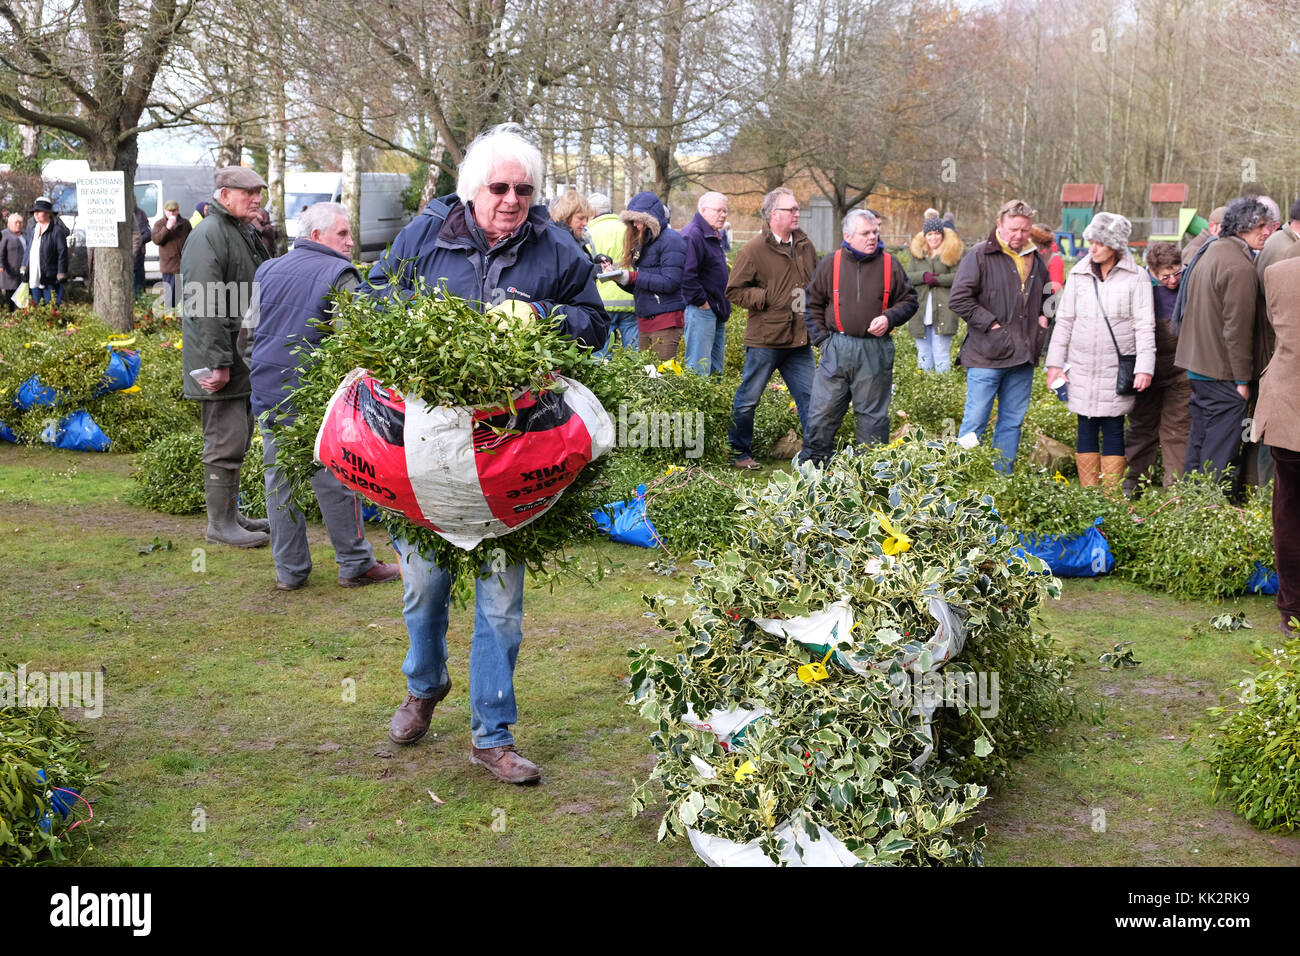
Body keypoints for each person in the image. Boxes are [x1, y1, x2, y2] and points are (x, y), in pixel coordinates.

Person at [363, 123, 608, 785]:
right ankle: (424, 686)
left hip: (511, 454)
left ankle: (491, 735)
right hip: (428, 451)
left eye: (523, 189)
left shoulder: (557, 247)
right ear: (473, 190)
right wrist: (410, 317)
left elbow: (595, 324)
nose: (511, 199)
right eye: (498, 187)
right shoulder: (425, 236)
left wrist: (544, 317)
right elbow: (372, 294)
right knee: (424, 589)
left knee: (501, 605)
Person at [246, 202, 400, 592]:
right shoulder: (340, 274)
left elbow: (245, 336)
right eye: (343, 234)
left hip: (269, 391)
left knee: (279, 480)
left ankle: (290, 572)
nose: (351, 242)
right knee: (335, 477)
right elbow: (357, 343)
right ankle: (355, 563)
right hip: (316, 396)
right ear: (316, 237)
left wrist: (261, 371)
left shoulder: (267, 268)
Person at [179, 165, 273, 549]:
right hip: (220, 360)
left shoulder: (239, 230)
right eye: (248, 192)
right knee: (224, 439)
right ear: (224, 194)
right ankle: (219, 525)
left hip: (239, 356)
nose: (256, 199)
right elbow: (204, 304)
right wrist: (217, 362)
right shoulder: (209, 235)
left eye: (259, 192)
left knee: (238, 437)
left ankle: (231, 516)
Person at [1044, 212, 1156, 492]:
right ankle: (1089, 493)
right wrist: (1055, 364)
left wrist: (1145, 367)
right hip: (1081, 365)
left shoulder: (1137, 277)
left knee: (1114, 426)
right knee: (1085, 425)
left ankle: (1110, 496)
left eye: (1099, 243)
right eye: (1091, 241)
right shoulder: (1079, 273)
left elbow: (1144, 325)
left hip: (1116, 367)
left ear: (1116, 246)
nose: (1092, 248)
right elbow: (1064, 321)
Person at [799, 209, 917, 464]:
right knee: (822, 412)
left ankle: (870, 476)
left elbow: (909, 300)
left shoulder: (890, 264)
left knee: (873, 419)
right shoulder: (832, 263)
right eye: (866, 233)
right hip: (837, 347)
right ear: (848, 235)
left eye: (875, 232)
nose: (872, 237)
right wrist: (822, 340)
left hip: (875, 350)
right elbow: (812, 303)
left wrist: (889, 318)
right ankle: (813, 469)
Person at [1173, 195, 1271, 488]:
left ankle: (1191, 499)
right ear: (1242, 227)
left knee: (1200, 437)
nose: (1267, 231)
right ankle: (1209, 507)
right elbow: (1237, 330)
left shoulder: (1212, 251)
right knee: (1221, 447)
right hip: (1221, 371)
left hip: (1197, 364)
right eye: (1261, 226)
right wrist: (1242, 380)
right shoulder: (1239, 267)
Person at [948, 198, 1052, 473]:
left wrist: (1045, 319)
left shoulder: (1035, 258)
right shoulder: (979, 255)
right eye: (1014, 229)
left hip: (1023, 357)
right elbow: (958, 298)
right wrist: (992, 324)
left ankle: (1001, 478)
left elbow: (1050, 292)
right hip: (986, 356)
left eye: (1024, 230)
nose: (1019, 235)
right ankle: (964, 475)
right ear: (999, 225)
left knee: (1012, 422)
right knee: (975, 421)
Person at [725, 186, 817, 469]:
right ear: (774, 214)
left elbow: (815, 285)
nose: (797, 213)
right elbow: (734, 291)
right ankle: (738, 453)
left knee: (812, 399)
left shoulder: (805, 246)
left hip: (799, 341)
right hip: (766, 340)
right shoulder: (753, 250)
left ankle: (816, 454)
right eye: (791, 209)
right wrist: (767, 297)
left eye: (797, 208)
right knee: (748, 400)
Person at [1252, 255, 1300, 634]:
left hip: (1289, 405)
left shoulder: (1277, 273)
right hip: (1288, 407)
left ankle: (1293, 610)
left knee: (1289, 512)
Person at [1123, 242, 1191, 494]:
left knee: (1177, 429)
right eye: (1165, 276)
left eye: (1177, 273)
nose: (1172, 280)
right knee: (1141, 426)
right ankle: (1134, 483)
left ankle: (1175, 488)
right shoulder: (1139, 288)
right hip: (1146, 368)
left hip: (1180, 369)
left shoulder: (1188, 284)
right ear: (1151, 270)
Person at [1247, 196, 1300, 487]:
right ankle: (1260, 487)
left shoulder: (1278, 256)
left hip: (1281, 380)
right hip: (1283, 373)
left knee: (1286, 495)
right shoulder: (1284, 253)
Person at [612, 190, 686, 360]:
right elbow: (645, 288)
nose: (636, 225)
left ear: (651, 219)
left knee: (662, 376)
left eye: (639, 221)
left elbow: (670, 282)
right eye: (633, 221)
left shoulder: (671, 240)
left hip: (665, 322)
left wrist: (632, 277)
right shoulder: (644, 241)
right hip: (645, 320)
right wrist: (619, 279)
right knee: (647, 374)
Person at [680, 191, 731, 375]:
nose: (723, 215)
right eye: (718, 210)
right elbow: (687, 275)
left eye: (725, 211)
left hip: (716, 309)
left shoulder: (712, 235)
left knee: (716, 369)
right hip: (702, 310)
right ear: (703, 210)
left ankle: (714, 404)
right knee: (698, 367)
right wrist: (702, 302)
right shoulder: (693, 235)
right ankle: (696, 404)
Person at [904, 216, 962, 372]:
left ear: (942, 235)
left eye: (937, 233)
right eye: (929, 234)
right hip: (920, 311)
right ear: (925, 235)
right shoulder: (918, 255)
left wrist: (939, 280)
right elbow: (906, 277)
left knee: (941, 353)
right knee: (923, 353)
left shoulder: (951, 254)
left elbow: (959, 277)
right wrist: (923, 276)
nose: (933, 237)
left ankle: (942, 390)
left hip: (943, 311)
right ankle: (925, 388)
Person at [587, 193, 637, 357]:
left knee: (600, 357)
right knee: (634, 356)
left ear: (592, 212)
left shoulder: (589, 232)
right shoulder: (627, 229)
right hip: (629, 298)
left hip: (602, 302)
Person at [24, 197, 69, 307]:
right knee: (37, 307)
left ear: (48, 213)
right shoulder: (33, 229)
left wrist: (61, 272)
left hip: (50, 278)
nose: (36, 214)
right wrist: (24, 268)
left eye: (39, 211)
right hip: (34, 276)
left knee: (51, 308)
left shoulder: (57, 230)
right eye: (35, 212)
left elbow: (62, 253)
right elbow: (28, 250)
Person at [151, 199, 191, 310]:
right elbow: (156, 240)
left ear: (178, 210)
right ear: (165, 211)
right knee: (170, 297)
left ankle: (180, 318)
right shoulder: (159, 224)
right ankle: (170, 318)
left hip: (182, 266)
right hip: (168, 266)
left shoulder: (185, 224)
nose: (172, 213)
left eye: (174, 211)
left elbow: (191, 240)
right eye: (169, 211)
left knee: (182, 296)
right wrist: (167, 228)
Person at [548, 189, 594, 259]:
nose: (585, 223)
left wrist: (596, 262)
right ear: (566, 216)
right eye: (581, 218)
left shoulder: (575, 238)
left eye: (587, 219)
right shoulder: (557, 243)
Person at [1, 212, 25, 312]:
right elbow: (0, 252)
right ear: (9, 224)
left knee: (23, 295)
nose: (18, 225)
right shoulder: (4, 235)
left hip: (23, 271)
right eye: (16, 223)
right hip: (10, 271)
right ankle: (10, 317)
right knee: (11, 295)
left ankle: (21, 317)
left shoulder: (25, 234)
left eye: (20, 223)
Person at [132, 204, 150, 295]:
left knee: (138, 282)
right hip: (127, 253)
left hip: (138, 254)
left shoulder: (140, 213)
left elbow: (148, 233)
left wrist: (138, 241)